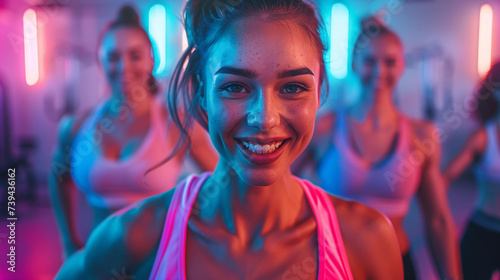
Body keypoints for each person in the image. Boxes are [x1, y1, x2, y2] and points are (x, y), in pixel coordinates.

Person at [55, 0, 404, 279]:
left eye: (293, 87)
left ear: (319, 93)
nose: (264, 118)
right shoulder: (139, 235)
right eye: (235, 87)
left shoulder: (368, 241)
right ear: (202, 94)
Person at [297, 17, 462, 280]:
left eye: (389, 62)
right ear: (354, 64)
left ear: (402, 65)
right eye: (369, 61)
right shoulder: (325, 127)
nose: (379, 71)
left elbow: (438, 220)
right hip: (333, 266)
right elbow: (277, 188)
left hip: (396, 266)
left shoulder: (422, 135)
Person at [49, 5, 217, 259]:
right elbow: (58, 178)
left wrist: (205, 235)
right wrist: (68, 242)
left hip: (160, 261)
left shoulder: (176, 122)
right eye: (113, 56)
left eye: (135, 55)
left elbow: (222, 177)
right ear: (100, 61)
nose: (124, 67)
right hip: (96, 263)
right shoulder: (75, 126)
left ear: (151, 60)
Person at [443, 62, 500, 280]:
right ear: (496, 92)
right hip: (483, 231)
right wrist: (441, 217)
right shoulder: (482, 138)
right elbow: (444, 178)